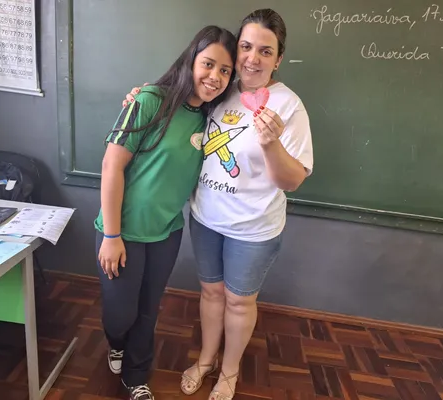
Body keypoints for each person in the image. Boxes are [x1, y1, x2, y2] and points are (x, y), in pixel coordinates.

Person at [122, 9, 314, 400]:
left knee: (239, 302)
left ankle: (229, 372)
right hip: (206, 218)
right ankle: (206, 359)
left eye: (265, 51)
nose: (252, 58)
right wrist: (139, 98)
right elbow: (175, 108)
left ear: (278, 59)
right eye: (246, 47)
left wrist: (270, 143)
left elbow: (292, 180)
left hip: (254, 227)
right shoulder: (220, 88)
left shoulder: (289, 106)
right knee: (210, 294)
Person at [94, 25, 238, 400]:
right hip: (121, 231)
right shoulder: (149, 100)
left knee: (148, 311)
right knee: (120, 316)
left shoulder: (212, 118)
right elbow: (112, 167)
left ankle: (136, 377)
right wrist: (111, 235)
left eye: (225, 70)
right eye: (209, 64)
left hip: (166, 232)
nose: (215, 77)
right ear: (191, 59)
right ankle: (116, 344)